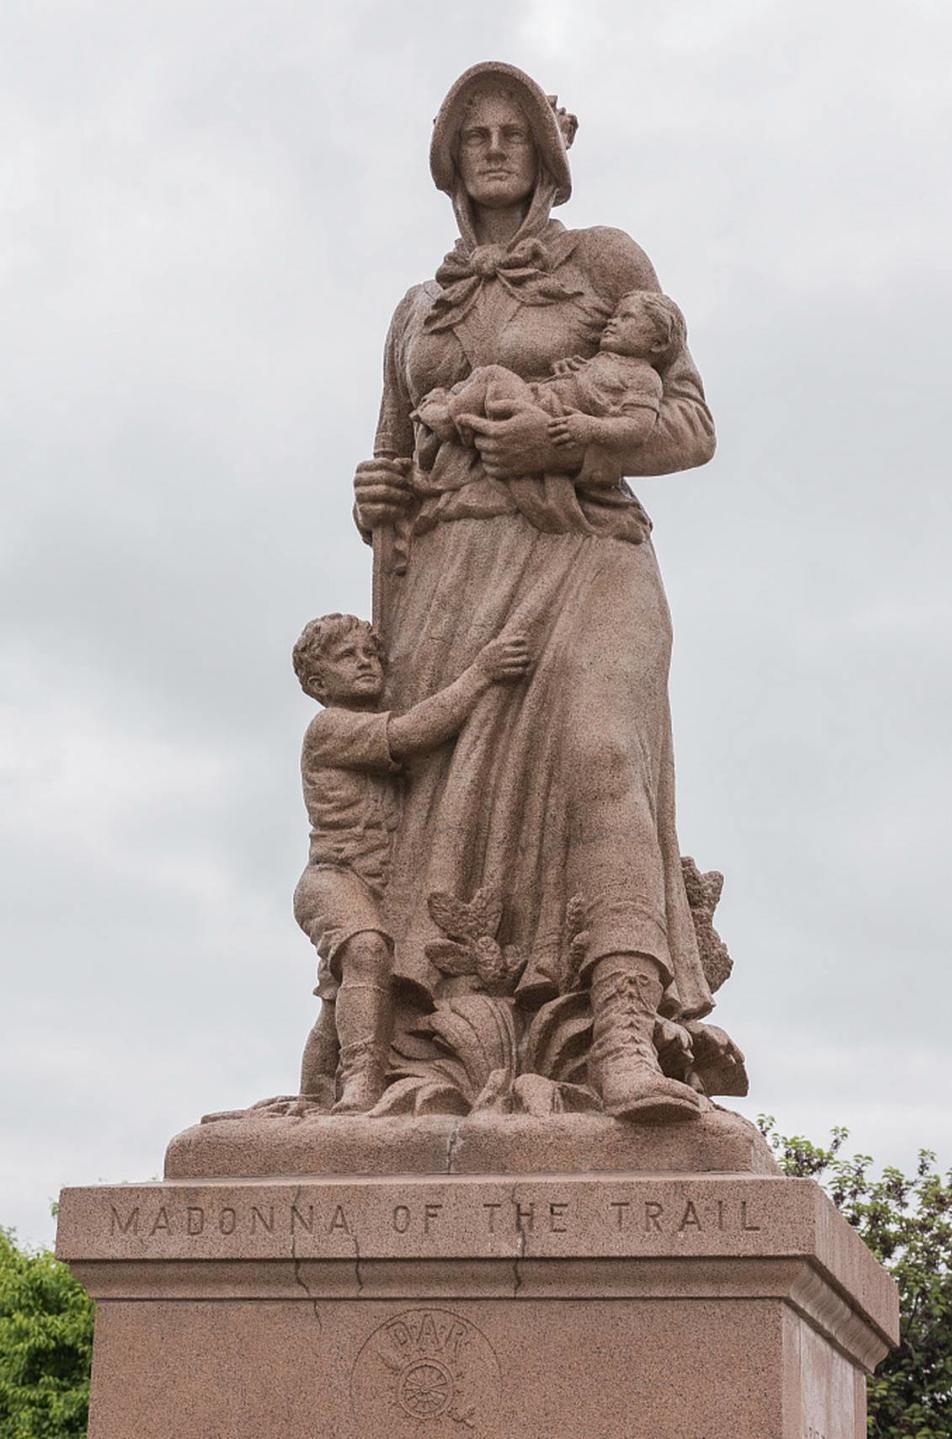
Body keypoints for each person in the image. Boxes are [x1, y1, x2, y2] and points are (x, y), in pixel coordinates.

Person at [352, 61, 717, 1122]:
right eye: (478, 134)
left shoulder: (606, 260)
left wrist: (562, 436)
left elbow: (691, 427)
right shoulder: (416, 310)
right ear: (451, 160)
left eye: (516, 130)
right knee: (446, 822)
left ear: (548, 153)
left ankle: (619, 1038)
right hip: (455, 577)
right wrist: (376, 492)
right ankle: (418, 1055)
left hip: (588, 550)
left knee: (605, 754)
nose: (499, 147)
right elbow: (392, 461)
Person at [291, 611, 530, 1112]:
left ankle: (314, 1093)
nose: (365, 663)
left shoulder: (357, 723)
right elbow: (413, 732)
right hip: (335, 876)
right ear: (317, 681)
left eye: (369, 654)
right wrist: (481, 673)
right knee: (368, 952)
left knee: (341, 994)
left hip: (380, 883)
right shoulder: (329, 728)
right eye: (346, 657)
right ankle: (361, 1079)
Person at [414, 288, 687, 495]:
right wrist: (572, 372)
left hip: (545, 412)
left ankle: (448, 420)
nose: (612, 322)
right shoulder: (604, 361)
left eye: (626, 318)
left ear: (658, 343)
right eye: (614, 316)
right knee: (481, 381)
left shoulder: (645, 378)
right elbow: (590, 387)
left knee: (492, 376)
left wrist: (589, 429)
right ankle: (446, 418)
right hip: (541, 399)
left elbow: (638, 428)